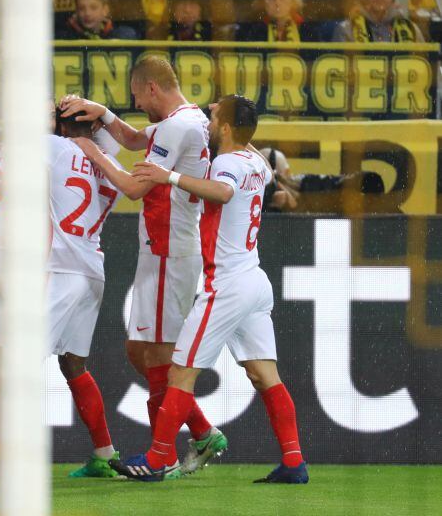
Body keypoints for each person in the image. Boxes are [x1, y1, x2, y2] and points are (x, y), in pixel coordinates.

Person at [103, 95, 308, 484]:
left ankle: (158, 458)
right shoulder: (257, 165)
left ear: (227, 129)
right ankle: (294, 461)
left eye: (214, 119)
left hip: (227, 285)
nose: (208, 124)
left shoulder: (228, 164)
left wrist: (169, 177)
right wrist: (237, 123)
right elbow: (256, 165)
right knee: (265, 375)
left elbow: (225, 192)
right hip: (255, 281)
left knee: (179, 371)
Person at [61, 56, 224, 477]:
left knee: (159, 355)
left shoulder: (178, 126)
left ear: (152, 88)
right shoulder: (186, 120)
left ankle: (163, 456)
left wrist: (91, 149)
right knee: (141, 351)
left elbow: (134, 187)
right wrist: (105, 114)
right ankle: (202, 432)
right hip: (161, 250)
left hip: (172, 251)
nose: (137, 103)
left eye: (136, 95)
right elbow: (135, 140)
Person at [47, 108, 121, 478]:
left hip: (59, 269)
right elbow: (111, 135)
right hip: (92, 267)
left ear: (60, 126)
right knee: (73, 364)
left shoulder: (54, 148)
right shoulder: (108, 160)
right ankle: (105, 452)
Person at [56, 0, 137, 40]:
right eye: (81, 8)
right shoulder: (65, 37)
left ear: (105, 11)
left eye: (93, 8)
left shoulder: (120, 35)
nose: (87, 13)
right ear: (76, 11)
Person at [147, 0, 211, 41]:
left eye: (192, 3)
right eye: (182, 3)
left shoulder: (212, 38)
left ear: (201, 9)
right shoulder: (155, 37)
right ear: (172, 8)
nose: (187, 10)